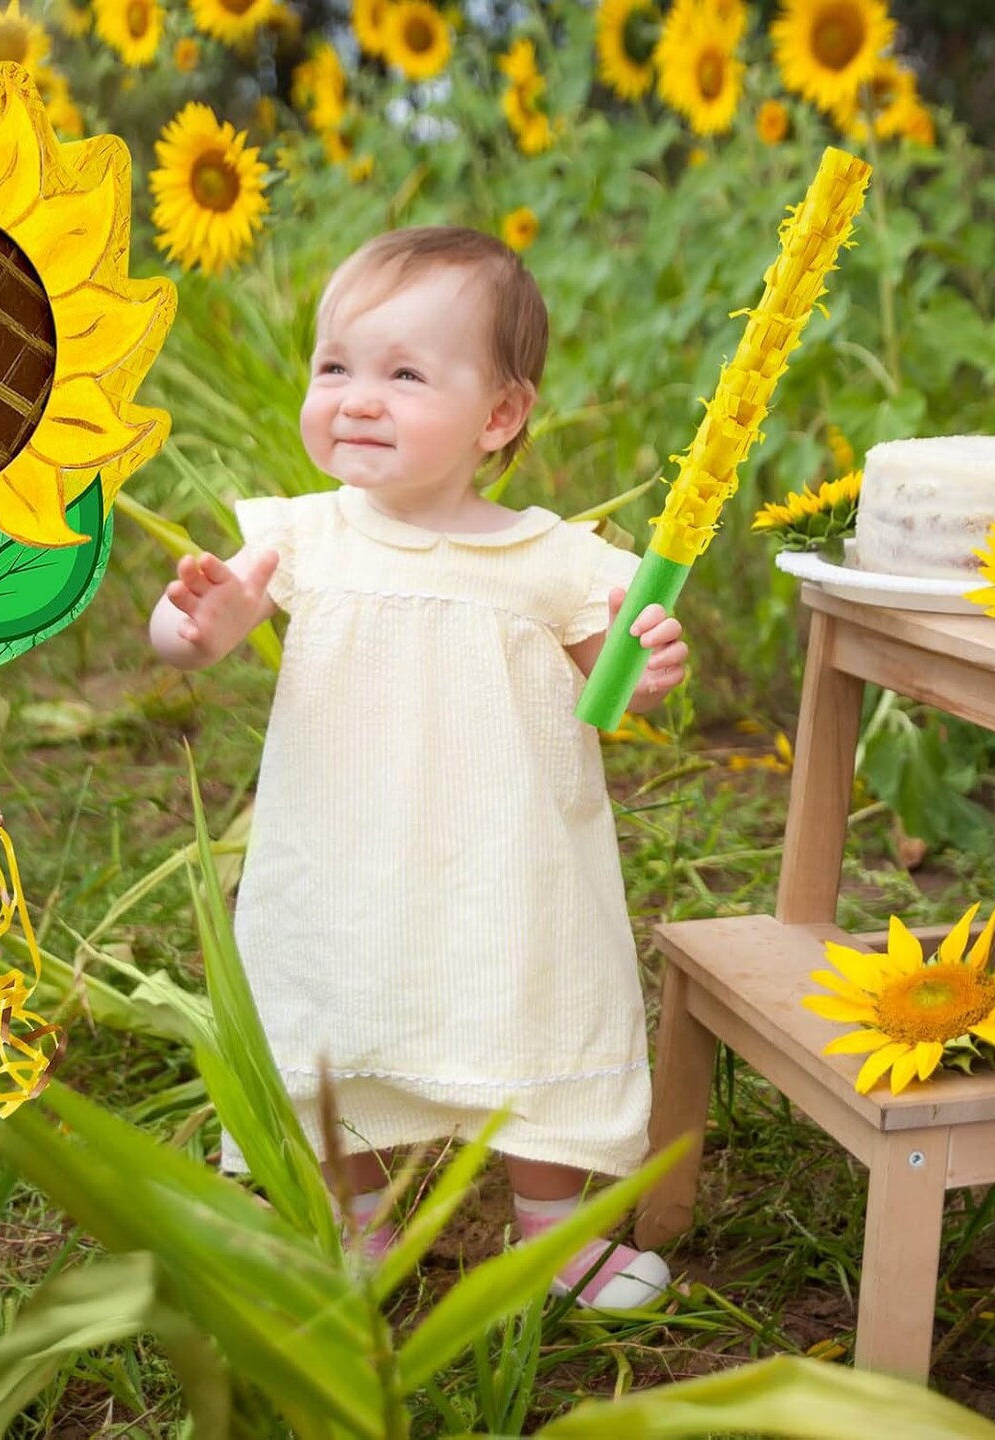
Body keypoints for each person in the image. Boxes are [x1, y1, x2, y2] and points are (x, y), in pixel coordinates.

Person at [148, 226, 688, 1309]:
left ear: (498, 415)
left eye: (402, 374)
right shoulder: (302, 537)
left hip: (510, 861)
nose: (355, 397)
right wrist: (196, 621)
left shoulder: (552, 559)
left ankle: (555, 1236)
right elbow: (193, 640)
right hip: (346, 858)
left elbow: (611, 683)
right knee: (333, 1014)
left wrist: (647, 664)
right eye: (334, 366)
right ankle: (356, 1224)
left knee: (532, 1007)